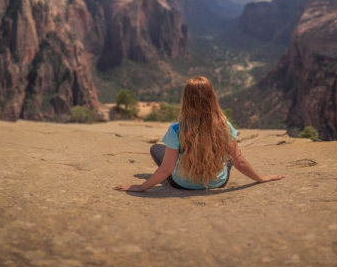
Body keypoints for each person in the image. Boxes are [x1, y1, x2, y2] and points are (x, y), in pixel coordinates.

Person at [113, 76, 285, 192]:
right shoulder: (225, 127)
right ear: (212, 98)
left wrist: (140, 187)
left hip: (182, 184)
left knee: (156, 149)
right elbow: (238, 162)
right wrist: (261, 179)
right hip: (217, 182)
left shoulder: (176, 129)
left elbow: (166, 169)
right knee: (228, 156)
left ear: (186, 99)